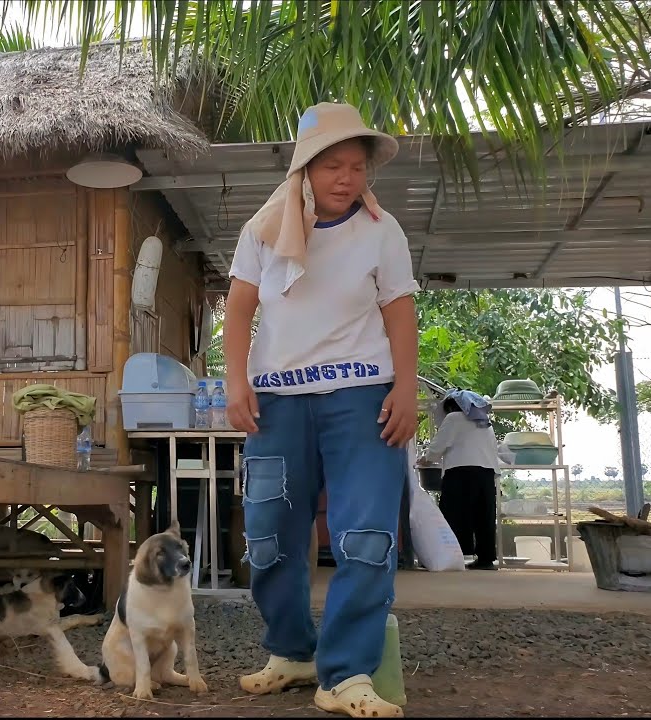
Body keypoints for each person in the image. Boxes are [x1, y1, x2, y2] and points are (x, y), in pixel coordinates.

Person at [223, 102, 419, 719]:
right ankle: (291, 652)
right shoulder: (261, 231)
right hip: (278, 401)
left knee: (365, 536)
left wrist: (407, 388)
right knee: (268, 537)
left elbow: (399, 308)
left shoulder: (382, 231)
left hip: (363, 399)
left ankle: (345, 674)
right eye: (332, 165)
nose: (346, 177)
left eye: (357, 167)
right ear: (305, 169)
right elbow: (238, 310)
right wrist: (234, 382)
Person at [420, 390, 502, 570]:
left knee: (452, 515)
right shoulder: (484, 422)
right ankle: (486, 559)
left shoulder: (454, 418)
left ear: (452, 407)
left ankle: (448, 556)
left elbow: (437, 448)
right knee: (484, 517)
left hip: (461, 471)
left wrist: (424, 459)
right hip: (487, 473)